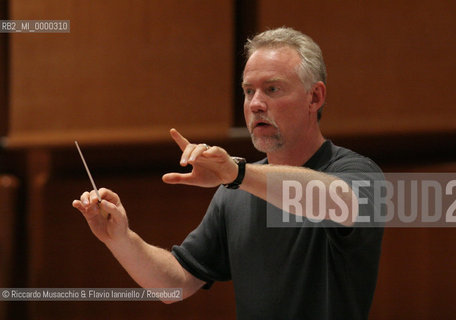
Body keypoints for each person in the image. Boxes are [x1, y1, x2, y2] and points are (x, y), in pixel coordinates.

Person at [73, 27, 383, 319]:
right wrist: (120, 239)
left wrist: (237, 174)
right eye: (249, 91)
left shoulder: (357, 173)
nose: (256, 103)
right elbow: (175, 283)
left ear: (314, 97)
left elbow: (332, 199)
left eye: (272, 89)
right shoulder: (236, 190)